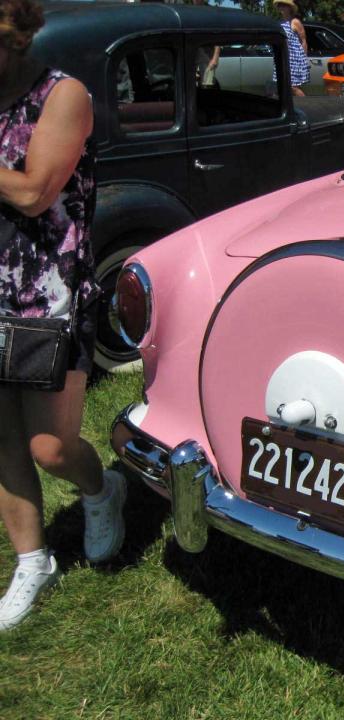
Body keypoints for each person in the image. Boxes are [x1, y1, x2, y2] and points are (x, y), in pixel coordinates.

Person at [0, 0, 126, 631]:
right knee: (3, 441)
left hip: (46, 293)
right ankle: (33, 560)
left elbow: (33, 190)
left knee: (49, 447)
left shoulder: (62, 94)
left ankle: (102, 491)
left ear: (12, 38)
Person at [272, 0, 309, 97]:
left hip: (295, 59)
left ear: (290, 8)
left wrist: (304, 59)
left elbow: (303, 41)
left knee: (293, 87)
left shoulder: (295, 22)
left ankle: (308, 105)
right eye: (279, 5)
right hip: (283, 57)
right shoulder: (280, 23)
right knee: (282, 86)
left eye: (283, 5)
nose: (281, 7)